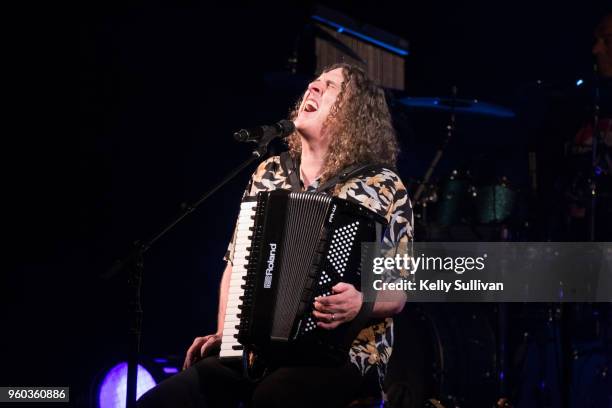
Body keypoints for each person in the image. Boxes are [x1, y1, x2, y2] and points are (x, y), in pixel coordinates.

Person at [137, 63, 413, 408]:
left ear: (354, 114)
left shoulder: (382, 185)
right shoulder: (270, 172)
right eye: (313, 83)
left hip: (347, 353)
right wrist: (227, 335)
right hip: (258, 351)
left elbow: (399, 290)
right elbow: (237, 262)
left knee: (273, 398)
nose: (312, 88)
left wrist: (361, 301)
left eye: (329, 87)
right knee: (162, 401)